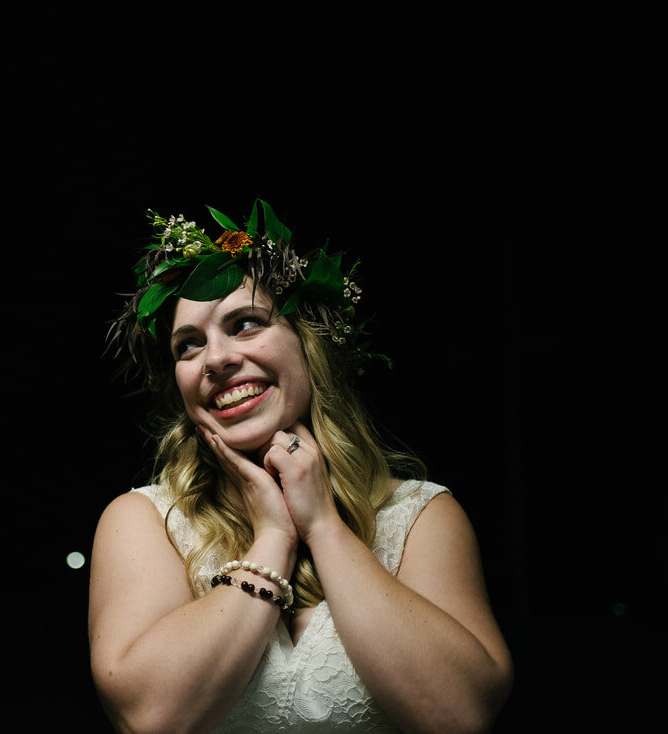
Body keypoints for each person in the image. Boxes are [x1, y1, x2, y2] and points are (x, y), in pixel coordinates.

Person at [90, 201, 513, 733]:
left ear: (309, 343)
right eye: (188, 345)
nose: (215, 359)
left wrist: (323, 526)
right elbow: (151, 718)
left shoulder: (421, 517)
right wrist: (272, 537)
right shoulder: (143, 521)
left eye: (245, 324)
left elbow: (460, 715)